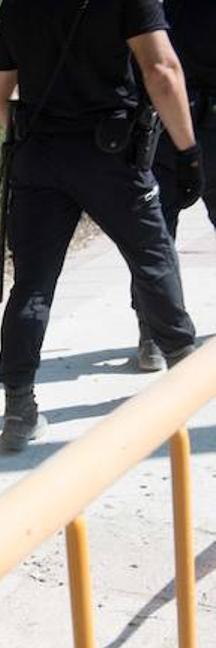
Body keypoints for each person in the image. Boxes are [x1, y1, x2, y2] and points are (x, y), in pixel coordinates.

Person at [0, 0, 203, 451]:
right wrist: (187, 152)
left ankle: (19, 409)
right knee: (151, 257)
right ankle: (187, 375)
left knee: (33, 284)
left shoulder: (15, 5)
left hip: (38, 159)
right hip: (113, 155)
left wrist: (34, 140)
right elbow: (162, 70)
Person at [131, 0, 216, 371]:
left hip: (160, 122)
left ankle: (152, 332)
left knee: (154, 235)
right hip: (190, 120)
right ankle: (153, 332)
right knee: (155, 233)